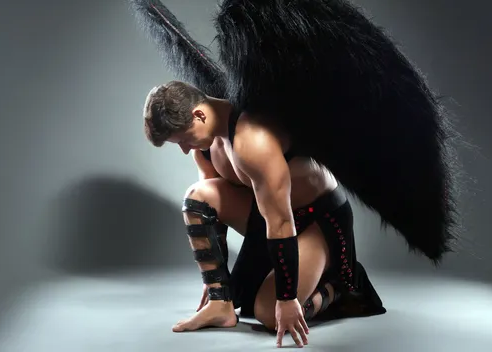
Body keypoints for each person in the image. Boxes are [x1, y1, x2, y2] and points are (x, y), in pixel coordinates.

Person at [143, 80, 386, 348]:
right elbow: (212, 211)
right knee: (197, 196)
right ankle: (220, 307)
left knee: (270, 315)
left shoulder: (252, 139)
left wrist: (287, 298)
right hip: (269, 217)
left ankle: (339, 286)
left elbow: (281, 220)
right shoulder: (205, 147)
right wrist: (217, 284)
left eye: (184, 139)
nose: (185, 149)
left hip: (317, 220)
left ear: (199, 115)